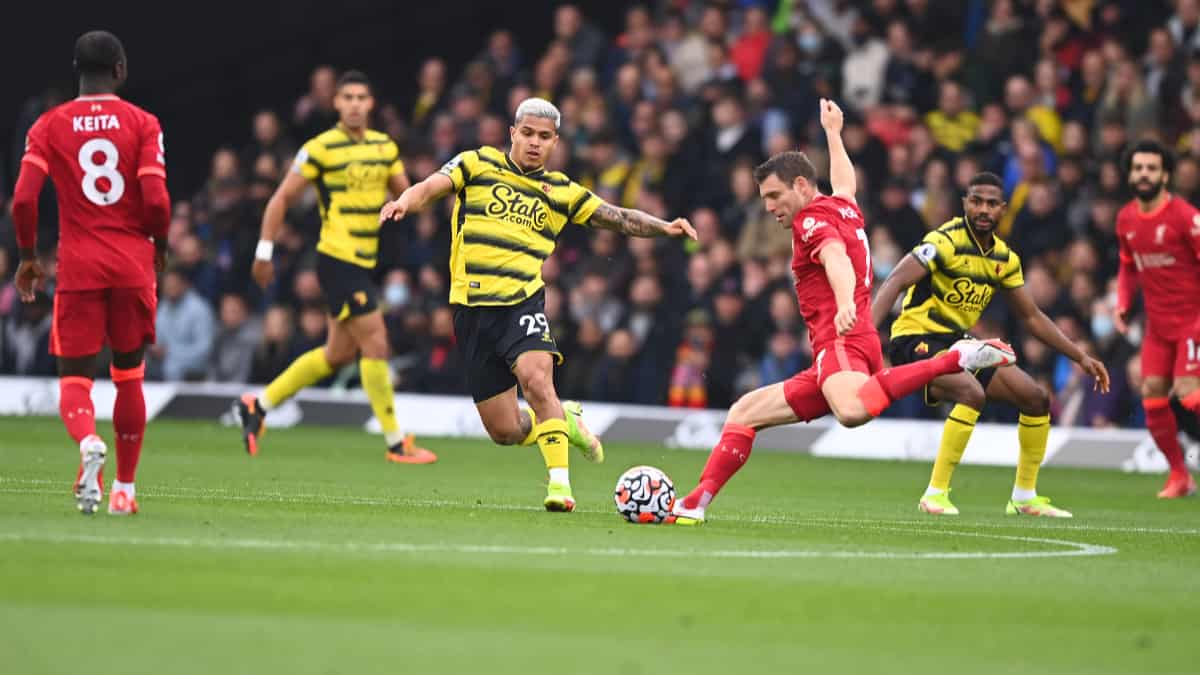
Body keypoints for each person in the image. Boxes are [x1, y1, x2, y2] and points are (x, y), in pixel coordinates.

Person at [669, 100, 1018, 525]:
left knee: (852, 412)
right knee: (744, 412)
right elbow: (845, 182)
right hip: (847, 344)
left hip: (842, 339)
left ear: (800, 185)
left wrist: (847, 300)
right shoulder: (843, 206)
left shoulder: (809, 221)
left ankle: (954, 358)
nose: (768, 206)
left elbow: (835, 256)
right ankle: (695, 502)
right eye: (763, 198)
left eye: (774, 195)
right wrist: (834, 133)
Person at [380, 97, 697, 511]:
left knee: (537, 379)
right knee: (505, 430)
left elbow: (618, 217)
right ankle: (566, 421)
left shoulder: (562, 191)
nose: (534, 142)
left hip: (521, 303)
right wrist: (405, 201)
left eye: (544, 137)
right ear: (512, 133)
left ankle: (560, 487)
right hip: (472, 310)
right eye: (527, 133)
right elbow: (430, 187)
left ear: (555, 143)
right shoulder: (477, 164)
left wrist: (665, 227)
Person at [871, 172, 1111, 518]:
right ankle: (934, 493)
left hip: (958, 344)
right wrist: (864, 337)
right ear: (965, 203)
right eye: (976, 201)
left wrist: (1080, 355)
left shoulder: (1004, 259)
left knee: (1036, 398)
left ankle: (1024, 497)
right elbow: (894, 280)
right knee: (972, 392)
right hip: (915, 338)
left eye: (991, 203)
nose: (983, 209)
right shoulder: (944, 241)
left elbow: (1031, 317)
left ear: (1003, 208)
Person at [234, 71, 436, 465]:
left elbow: (408, 194)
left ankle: (258, 405)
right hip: (337, 260)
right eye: (348, 97)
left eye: (362, 96)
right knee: (376, 342)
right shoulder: (320, 148)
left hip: (365, 261)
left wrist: (415, 197)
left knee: (337, 354)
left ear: (371, 102)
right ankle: (396, 443)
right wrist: (263, 252)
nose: (356, 103)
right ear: (337, 103)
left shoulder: (384, 146)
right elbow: (280, 200)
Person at [11, 31, 171, 515]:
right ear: (120, 69)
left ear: (77, 72)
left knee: (75, 381)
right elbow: (158, 201)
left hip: (79, 265)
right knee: (129, 375)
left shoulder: (48, 125)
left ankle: (86, 443)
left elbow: (22, 199)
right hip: (130, 263)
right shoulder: (143, 123)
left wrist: (26, 258)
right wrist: (158, 247)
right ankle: (124, 490)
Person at [1114, 140, 1200, 498]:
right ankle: (1179, 475)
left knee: (1188, 394)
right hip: (1158, 326)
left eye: (1151, 168)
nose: (1144, 174)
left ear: (1165, 175)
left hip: (1193, 321)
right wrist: (1122, 303)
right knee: (1152, 395)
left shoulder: (1186, 217)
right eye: (1138, 168)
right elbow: (1127, 266)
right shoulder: (1126, 219)